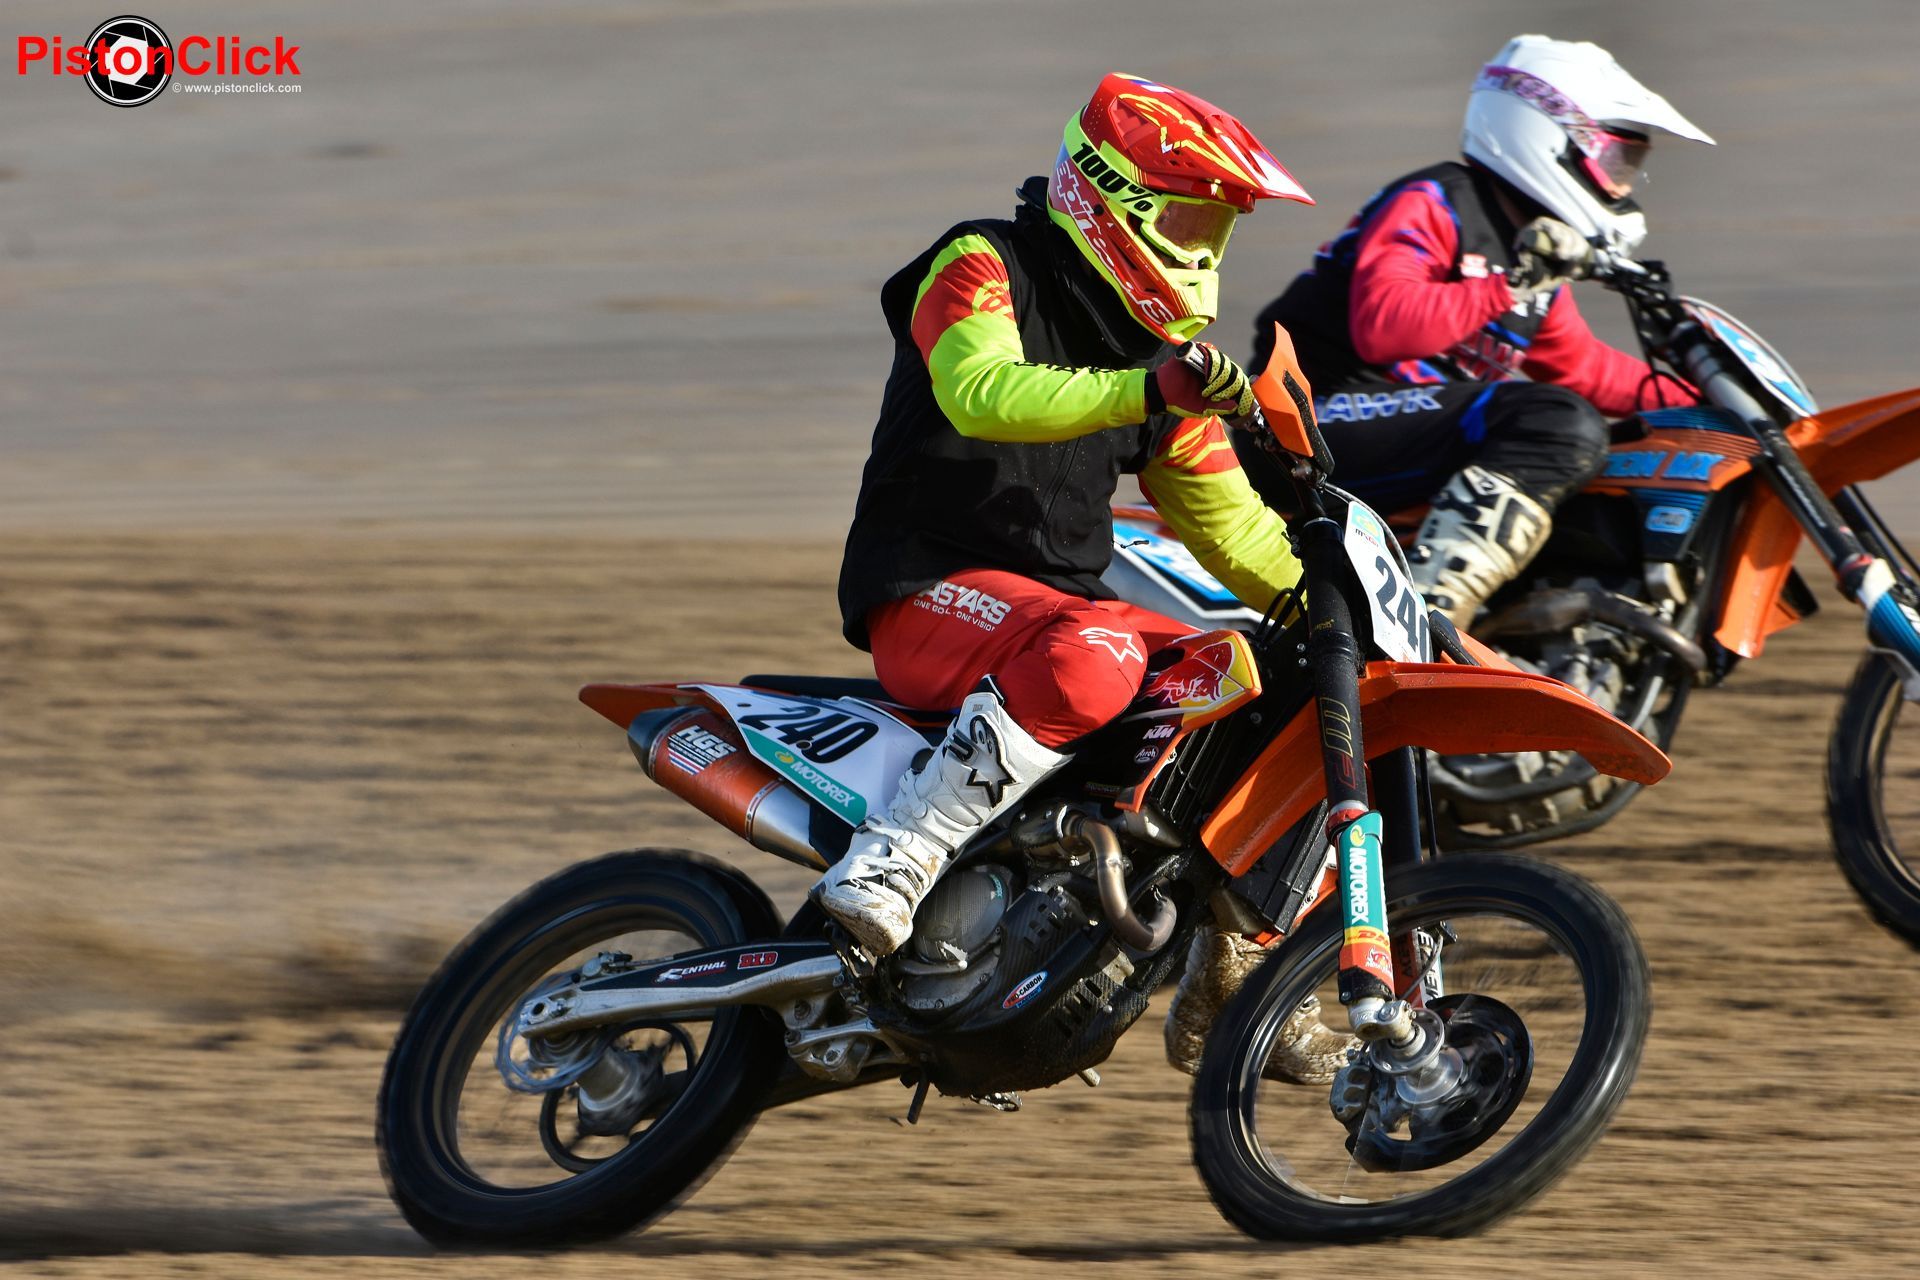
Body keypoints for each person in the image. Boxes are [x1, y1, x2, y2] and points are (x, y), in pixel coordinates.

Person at [820, 72, 1351, 1082]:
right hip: (930, 589)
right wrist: (1146, 385)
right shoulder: (983, 261)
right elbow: (981, 391)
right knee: (1102, 643)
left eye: (1215, 228)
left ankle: (1238, 974)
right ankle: (895, 854)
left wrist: (1355, 609)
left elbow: (1233, 528)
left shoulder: (1161, 363)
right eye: (1190, 218)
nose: (1202, 248)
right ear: (1115, 200)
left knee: (1258, 675)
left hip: (1053, 619)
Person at [1241, 34, 1714, 626]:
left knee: (1595, 440)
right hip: (1309, 420)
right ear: (1552, 137)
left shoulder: (1534, 255)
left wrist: (1708, 402)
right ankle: (1427, 621)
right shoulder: (1439, 200)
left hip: (1390, 435)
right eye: (1617, 161)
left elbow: (1585, 366)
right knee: (1555, 422)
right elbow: (1384, 325)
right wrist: (1514, 284)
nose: (1622, 184)